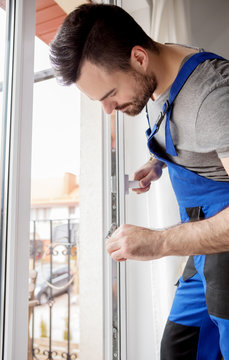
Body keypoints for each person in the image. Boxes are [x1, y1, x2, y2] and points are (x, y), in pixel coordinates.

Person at [49, 3, 229, 359]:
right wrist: (157, 163)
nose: (109, 109)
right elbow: (196, 139)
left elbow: (205, 121)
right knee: (178, 350)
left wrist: (159, 242)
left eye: (109, 95)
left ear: (139, 58)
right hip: (202, 248)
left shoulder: (213, 97)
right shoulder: (157, 78)